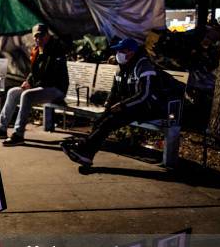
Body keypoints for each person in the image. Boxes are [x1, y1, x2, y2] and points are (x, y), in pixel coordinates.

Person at [61, 38, 181, 167]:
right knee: (102, 119)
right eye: (118, 50)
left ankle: (84, 151)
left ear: (131, 52)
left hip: (152, 107)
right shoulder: (122, 68)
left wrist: (122, 105)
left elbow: (145, 94)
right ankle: (86, 154)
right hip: (135, 105)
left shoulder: (143, 66)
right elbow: (115, 91)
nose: (118, 53)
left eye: (122, 50)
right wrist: (109, 104)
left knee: (111, 119)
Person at [0, 23, 69, 146]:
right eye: (36, 36)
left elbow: (50, 75)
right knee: (13, 92)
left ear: (47, 36)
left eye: (41, 36)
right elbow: (33, 71)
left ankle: (18, 134)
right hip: (41, 87)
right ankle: (1, 129)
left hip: (56, 89)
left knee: (27, 95)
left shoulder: (55, 49)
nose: (38, 39)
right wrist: (28, 81)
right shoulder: (37, 49)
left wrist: (32, 85)